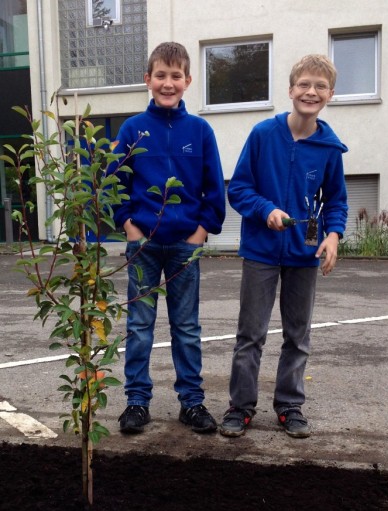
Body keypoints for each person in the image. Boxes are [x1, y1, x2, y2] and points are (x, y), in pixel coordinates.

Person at [220, 54, 348, 439]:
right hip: (261, 250)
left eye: (320, 86)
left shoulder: (329, 149)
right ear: (291, 89)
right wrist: (266, 210)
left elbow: (336, 201)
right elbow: (239, 188)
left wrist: (332, 235)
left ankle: (289, 405)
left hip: (304, 254)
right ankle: (240, 407)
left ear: (330, 95)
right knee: (251, 334)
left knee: (298, 335)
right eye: (304, 84)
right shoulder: (263, 134)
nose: (311, 92)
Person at [112, 42, 226, 434]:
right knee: (140, 325)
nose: (168, 83)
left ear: (188, 81)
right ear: (148, 79)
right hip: (142, 243)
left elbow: (214, 187)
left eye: (176, 76)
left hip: (184, 246)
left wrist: (200, 232)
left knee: (186, 327)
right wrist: (129, 225)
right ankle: (137, 402)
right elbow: (117, 184)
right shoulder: (132, 129)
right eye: (160, 75)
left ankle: (191, 403)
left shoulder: (200, 130)